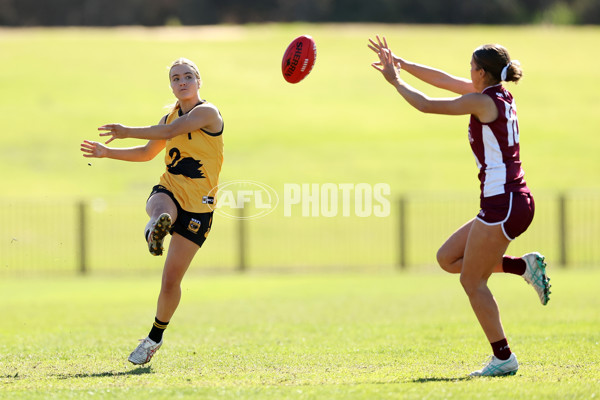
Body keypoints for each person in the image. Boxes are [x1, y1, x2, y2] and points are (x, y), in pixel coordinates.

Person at [368, 36, 551, 377]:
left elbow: (426, 104)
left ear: (482, 72)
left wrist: (395, 81)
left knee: (472, 281)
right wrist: (403, 63)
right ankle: (522, 268)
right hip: (506, 201)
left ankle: (503, 358)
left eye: (471, 67)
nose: (467, 72)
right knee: (448, 259)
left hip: (505, 203)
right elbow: (444, 80)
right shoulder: (494, 94)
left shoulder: (484, 103)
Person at [80, 57, 224, 365]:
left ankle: (154, 338)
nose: (182, 81)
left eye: (187, 76)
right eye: (175, 78)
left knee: (170, 281)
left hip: (200, 207)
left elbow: (175, 129)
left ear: (199, 82)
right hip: (171, 188)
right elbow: (148, 153)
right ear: (171, 85)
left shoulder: (207, 112)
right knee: (160, 205)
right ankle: (156, 229)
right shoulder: (168, 118)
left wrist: (126, 131)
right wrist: (108, 152)